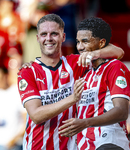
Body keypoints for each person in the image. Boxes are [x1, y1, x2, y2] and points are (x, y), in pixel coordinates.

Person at [17, 14, 124, 150]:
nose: (48, 38)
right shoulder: (27, 72)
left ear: (63, 37)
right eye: (44, 34)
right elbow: (36, 115)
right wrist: (72, 99)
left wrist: (95, 53)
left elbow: (118, 52)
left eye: (54, 34)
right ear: (38, 38)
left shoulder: (75, 63)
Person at [58, 17, 130, 150]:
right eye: (78, 42)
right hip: (85, 144)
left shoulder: (114, 67)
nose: (80, 47)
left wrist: (85, 123)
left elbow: (122, 111)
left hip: (109, 142)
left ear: (102, 43)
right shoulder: (85, 71)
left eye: (85, 41)